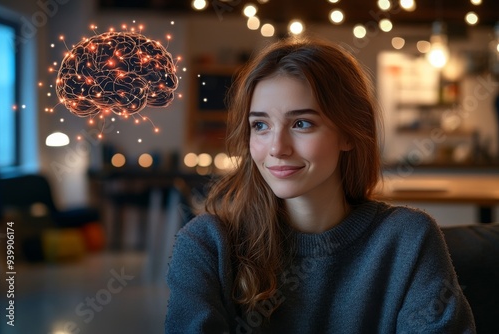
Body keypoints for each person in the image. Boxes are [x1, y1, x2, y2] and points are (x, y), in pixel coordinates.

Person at [165, 37, 475, 333]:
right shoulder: (207, 245)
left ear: (350, 134)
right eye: (260, 125)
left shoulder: (408, 239)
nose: (277, 148)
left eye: (301, 123)